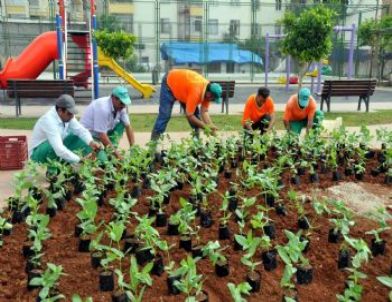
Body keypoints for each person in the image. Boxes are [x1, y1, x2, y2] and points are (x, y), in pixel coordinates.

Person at [151, 69, 222, 140]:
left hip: (184, 88)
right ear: (209, 94)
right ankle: (153, 144)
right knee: (165, 115)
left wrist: (211, 128)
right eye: (213, 99)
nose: (212, 101)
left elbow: (204, 111)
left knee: (196, 119)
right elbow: (190, 115)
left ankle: (196, 146)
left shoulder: (208, 91)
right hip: (169, 82)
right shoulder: (196, 92)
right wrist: (205, 127)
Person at [29, 94, 101, 164]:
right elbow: (59, 149)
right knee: (55, 145)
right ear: (60, 111)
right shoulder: (49, 121)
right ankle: (52, 172)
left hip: (53, 150)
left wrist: (91, 142)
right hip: (37, 155)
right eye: (69, 113)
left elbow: (81, 131)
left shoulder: (68, 116)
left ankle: (87, 163)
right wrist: (79, 160)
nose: (72, 116)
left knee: (77, 137)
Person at [80, 86, 135, 160]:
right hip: (90, 136)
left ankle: (111, 149)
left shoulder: (121, 107)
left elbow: (128, 126)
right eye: (121, 103)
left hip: (104, 133)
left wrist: (133, 149)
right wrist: (119, 157)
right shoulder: (103, 108)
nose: (123, 106)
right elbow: (102, 135)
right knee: (103, 162)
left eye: (125, 103)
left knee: (122, 124)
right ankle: (110, 151)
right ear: (113, 98)